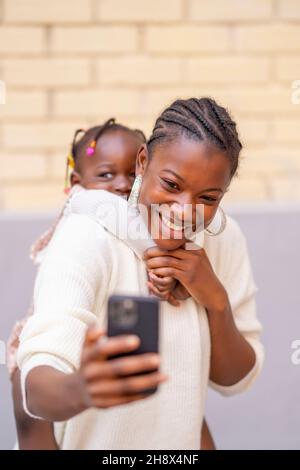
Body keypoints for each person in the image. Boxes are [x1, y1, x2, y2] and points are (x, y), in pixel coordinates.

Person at [17, 97, 264, 449]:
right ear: (143, 162)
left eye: (208, 198)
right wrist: (80, 388)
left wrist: (216, 301)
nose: (184, 211)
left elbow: (233, 380)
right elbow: (36, 388)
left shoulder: (223, 239)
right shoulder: (88, 234)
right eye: (172, 185)